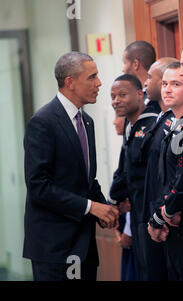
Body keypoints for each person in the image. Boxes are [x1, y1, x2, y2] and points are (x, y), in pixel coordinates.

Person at [23, 52, 119, 281]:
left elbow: (87, 180)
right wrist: (90, 207)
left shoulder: (87, 122)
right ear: (70, 82)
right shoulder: (43, 122)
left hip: (84, 247)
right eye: (92, 77)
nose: (99, 83)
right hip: (55, 249)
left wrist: (104, 209)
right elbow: (39, 187)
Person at [111, 74, 166, 280]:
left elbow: (147, 176)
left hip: (150, 213)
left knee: (153, 272)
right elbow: (125, 170)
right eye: (113, 96)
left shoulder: (151, 124)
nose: (116, 100)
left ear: (139, 94)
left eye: (122, 95)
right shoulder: (129, 126)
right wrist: (117, 198)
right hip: (135, 212)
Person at [151, 62, 183, 280]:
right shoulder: (172, 123)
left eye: (176, 84)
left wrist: (161, 216)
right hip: (169, 218)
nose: (167, 89)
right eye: (164, 83)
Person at [111, 113, 138, 281]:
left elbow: (135, 186)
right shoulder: (127, 141)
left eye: (119, 116)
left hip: (136, 229)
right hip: (124, 224)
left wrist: (128, 230)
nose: (115, 121)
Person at [122, 40, 160, 111]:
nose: (123, 69)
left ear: (135, 64)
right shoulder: (137, 95)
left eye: (125, 63)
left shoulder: (153, 98)